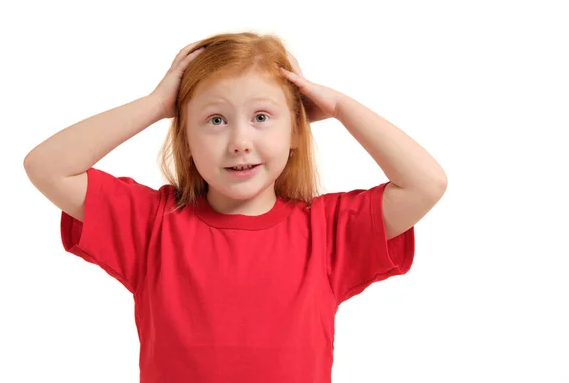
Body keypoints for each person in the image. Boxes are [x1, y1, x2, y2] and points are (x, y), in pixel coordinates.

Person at [24, 32, 447, 383]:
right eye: (215, 120)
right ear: (186, 140)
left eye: (262, 117)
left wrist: (340, 107)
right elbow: (47, 167)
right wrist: (156, 105)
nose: (239, 141)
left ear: (296, 131)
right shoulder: (152, 223)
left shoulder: (328, 231)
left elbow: (426, 184)